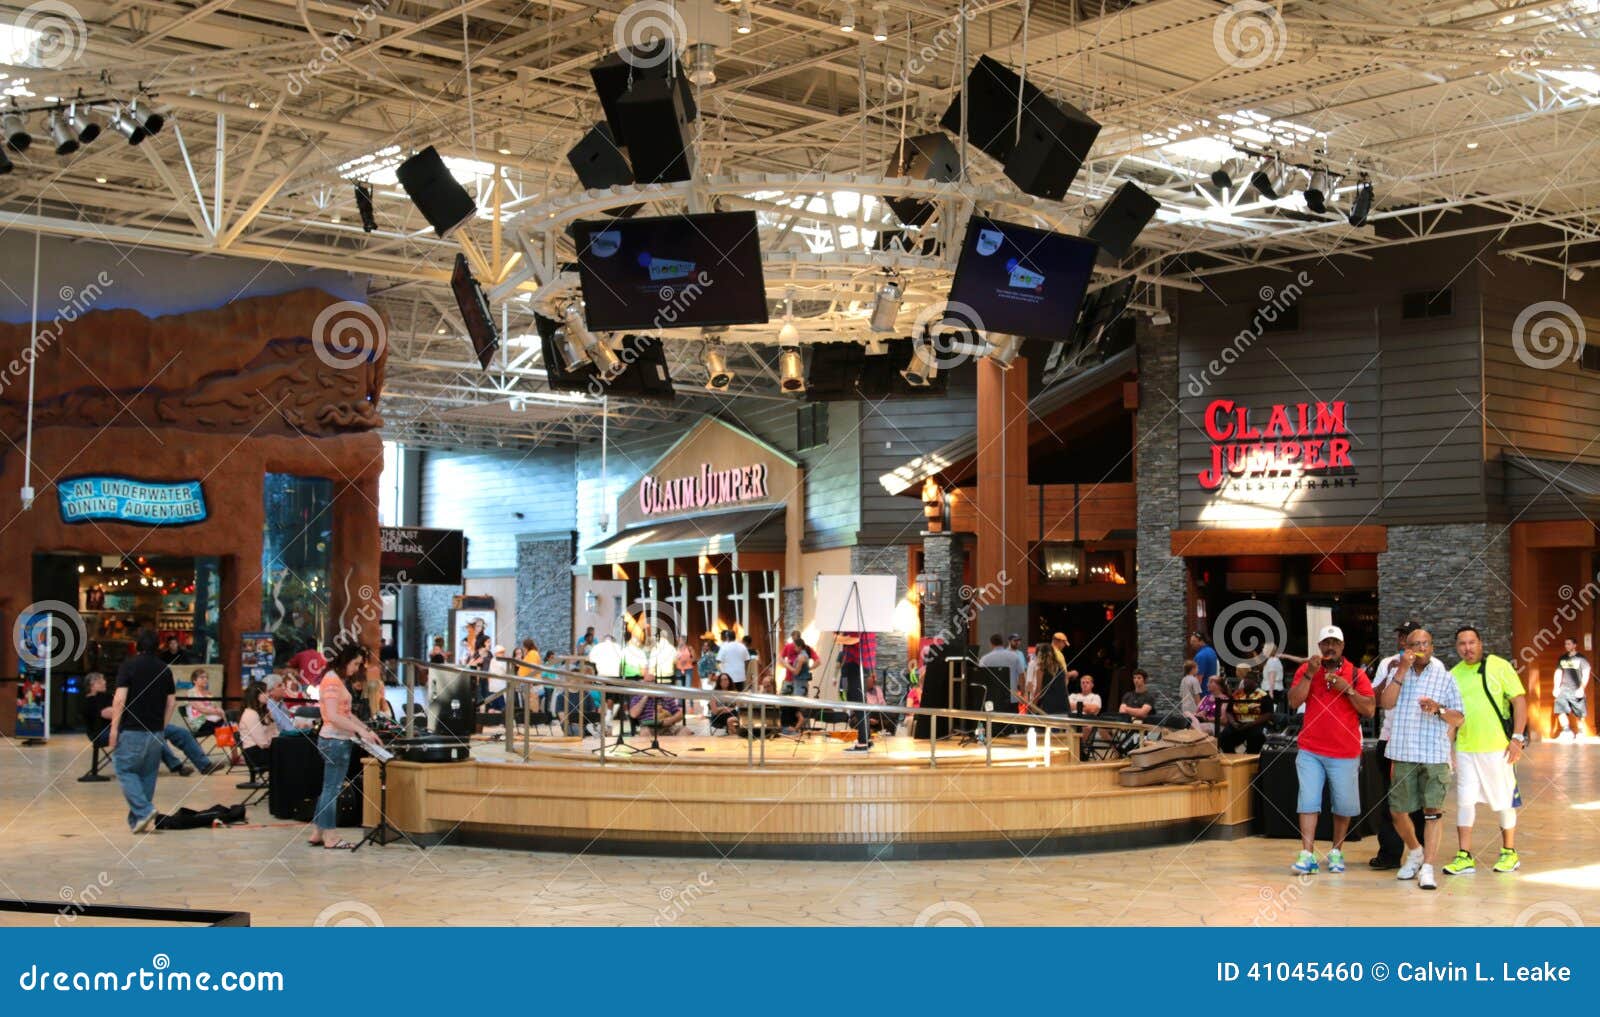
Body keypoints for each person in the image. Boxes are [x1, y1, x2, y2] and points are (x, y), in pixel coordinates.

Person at [1379, 627, 1464, 891]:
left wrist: (1437, 709)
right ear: (1407, 648)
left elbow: (1459, 717)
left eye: (1425, 643)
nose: (1420, 648)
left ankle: (1427, 867)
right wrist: (1401, 672)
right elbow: (1386, 703)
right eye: (1415, 644)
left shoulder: (1445, 677)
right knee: (1397, 811)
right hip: (1403, 751)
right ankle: (1414, 851)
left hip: (1433, 754)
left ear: (1432, 647)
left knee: (1432, 812)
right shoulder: (1397, 673)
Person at [1287, 625, 1375, 874]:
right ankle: (1307, 854)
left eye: (1335, 642)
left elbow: (1369, 709)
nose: (1330, 647)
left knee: (1343, 805)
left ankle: (1336, 851)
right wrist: (1308, 675)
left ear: (1343, 647)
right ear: (1319, 647)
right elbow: (1294, 702)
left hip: (1345, 751)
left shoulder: (1356, 673)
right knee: (1308, 800)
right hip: (1311, 749)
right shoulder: (1307, 670)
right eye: (1326, 643)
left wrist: (1346, 688)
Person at [1444, 626, 1528, 876]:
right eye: (1462, 644)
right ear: (1456, 647)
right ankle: (1464, 856)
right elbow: (1453, 716)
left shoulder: (1499, 666)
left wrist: (1517, 737)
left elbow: (1519, 701)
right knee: (1465, 801)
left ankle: (1509, 852)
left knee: (1503, 800)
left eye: (1472, 642)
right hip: (1466, 749)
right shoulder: (1454, 675)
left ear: (1480, 643)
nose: (1467, 648)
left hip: (1498, 748)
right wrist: (1449, 748)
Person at [308, 643, 379, 850]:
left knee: (328, 787)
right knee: (332, 788)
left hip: (335, 740)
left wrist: (366, 729)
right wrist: (361, 732)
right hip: (335, 741)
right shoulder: (332, 681)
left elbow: (346, 714)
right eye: (355, 663)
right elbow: (333, 716)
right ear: (346, 660)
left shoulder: (336, 680)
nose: (356, 669)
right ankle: (330, 836)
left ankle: (318, 831)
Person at [107, 629, 177, 833]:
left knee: (125, 770)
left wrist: (113, 729)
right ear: (158, 646)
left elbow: (119, 700)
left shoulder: (129, 666)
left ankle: (144, 811)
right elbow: (171, 702)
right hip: (155, 731)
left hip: (131, 730)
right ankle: (138, 819)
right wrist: (162, 726)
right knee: (147, 775)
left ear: (137, 645)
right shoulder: (165, 669)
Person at [1367, 622, 1423, 870]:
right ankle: (1390, 854)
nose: (1402, 641)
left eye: (1408, 637)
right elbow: (1375, 700)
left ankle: (1420, 851)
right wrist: (1394, 671)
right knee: (1391, 800)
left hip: (1420, 744)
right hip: (1390, 740)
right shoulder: (1387, 663)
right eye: (1400, 636)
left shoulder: (1434, 666)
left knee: (1419, 801)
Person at [837, 630, 877, 752]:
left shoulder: (855, 623)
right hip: (852, 668)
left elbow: (855, 639)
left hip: (854, 665)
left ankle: (863, 742)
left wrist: (837, 637)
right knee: (856, 700)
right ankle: (865, 739)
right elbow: (839, 667)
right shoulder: (868, 623)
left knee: (858, 702)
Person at [237, 681, 277, 788]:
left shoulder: (264, 711)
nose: (269, 695)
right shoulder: (250, 714)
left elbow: (275, 733)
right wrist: (277, 742)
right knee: (292, 756)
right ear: (256, 695)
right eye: (265, 692)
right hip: (255, 753)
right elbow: (263, 743)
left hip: (264, 749)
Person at [1218, 673, 1269, 754]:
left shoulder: (1263, 695)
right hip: (1237, 724)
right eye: (1245, 679)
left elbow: (1268, 714)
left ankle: (1251, 759)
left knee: (1256, 736)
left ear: (1255, 681)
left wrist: (1251, 724)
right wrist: (1233, 722)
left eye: (1250, 679)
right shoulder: (1236, 694)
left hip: (1254, 724)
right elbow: (1229, 711)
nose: (1246, 681)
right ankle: (1232, 758)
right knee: (1224, 736)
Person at [779, 631, 819, 734]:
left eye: (795, 645)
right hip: (796, 682)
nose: (793, 647)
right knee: (789, 706)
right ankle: (789, 727)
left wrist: (786, 665)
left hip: (800, 684)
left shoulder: (802, 656)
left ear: (799, 646)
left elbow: (796, 671)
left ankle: (798, 729)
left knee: (799, 706)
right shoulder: (800, 654)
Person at [1553, 636, 1589, 742]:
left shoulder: (1581, 659)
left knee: (1580, 712)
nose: (1566, 646)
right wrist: (1556, 687)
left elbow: (1586, 674)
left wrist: (1581, 688)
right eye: (1565, 644)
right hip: (1564, 688)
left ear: (1574, 645)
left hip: (1576, 688)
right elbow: (1558, 672)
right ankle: (1566, 731)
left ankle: (1581, 731)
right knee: (1560, 709)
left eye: (1569, 644)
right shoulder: (1562, 658)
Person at [1034, 632, 1076, 715]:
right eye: (1063, 643)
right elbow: (1064, 683)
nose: (1064, 646)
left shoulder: (1040, 670)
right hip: (1063, 704)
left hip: (1049, 706)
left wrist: (1033, 705)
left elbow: (1039, 691)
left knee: (1050, 727)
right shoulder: (1060, 667)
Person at [980, 634, 1023, 700]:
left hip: (992, 697)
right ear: (1003, 642)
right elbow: (1021, 675)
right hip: (1012, 697)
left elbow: (981, 677)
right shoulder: (1015, 656)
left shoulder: (984, 659)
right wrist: (1023, 691)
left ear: (991, 644)